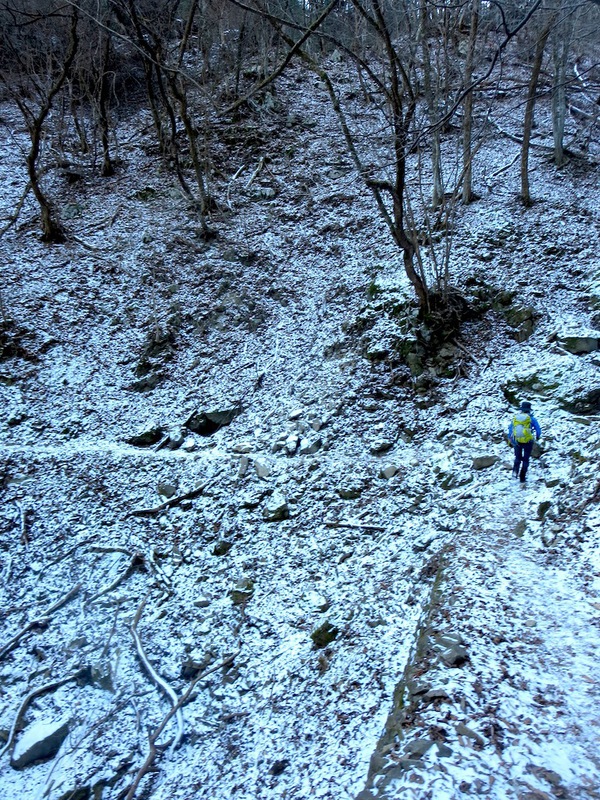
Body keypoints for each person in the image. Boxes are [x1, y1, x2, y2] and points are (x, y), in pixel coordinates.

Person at [507, 400, 541, 483]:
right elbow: (538, 430)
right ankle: (522, 477)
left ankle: (514, 473)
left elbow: (510, 429)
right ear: (529, 410)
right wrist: (537, 437)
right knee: (526, 459)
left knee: (517, 458)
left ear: (521, 409)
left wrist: (510, 439)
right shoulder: (532, 419)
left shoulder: (516, 418)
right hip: (528, 441)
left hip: (517, 441)